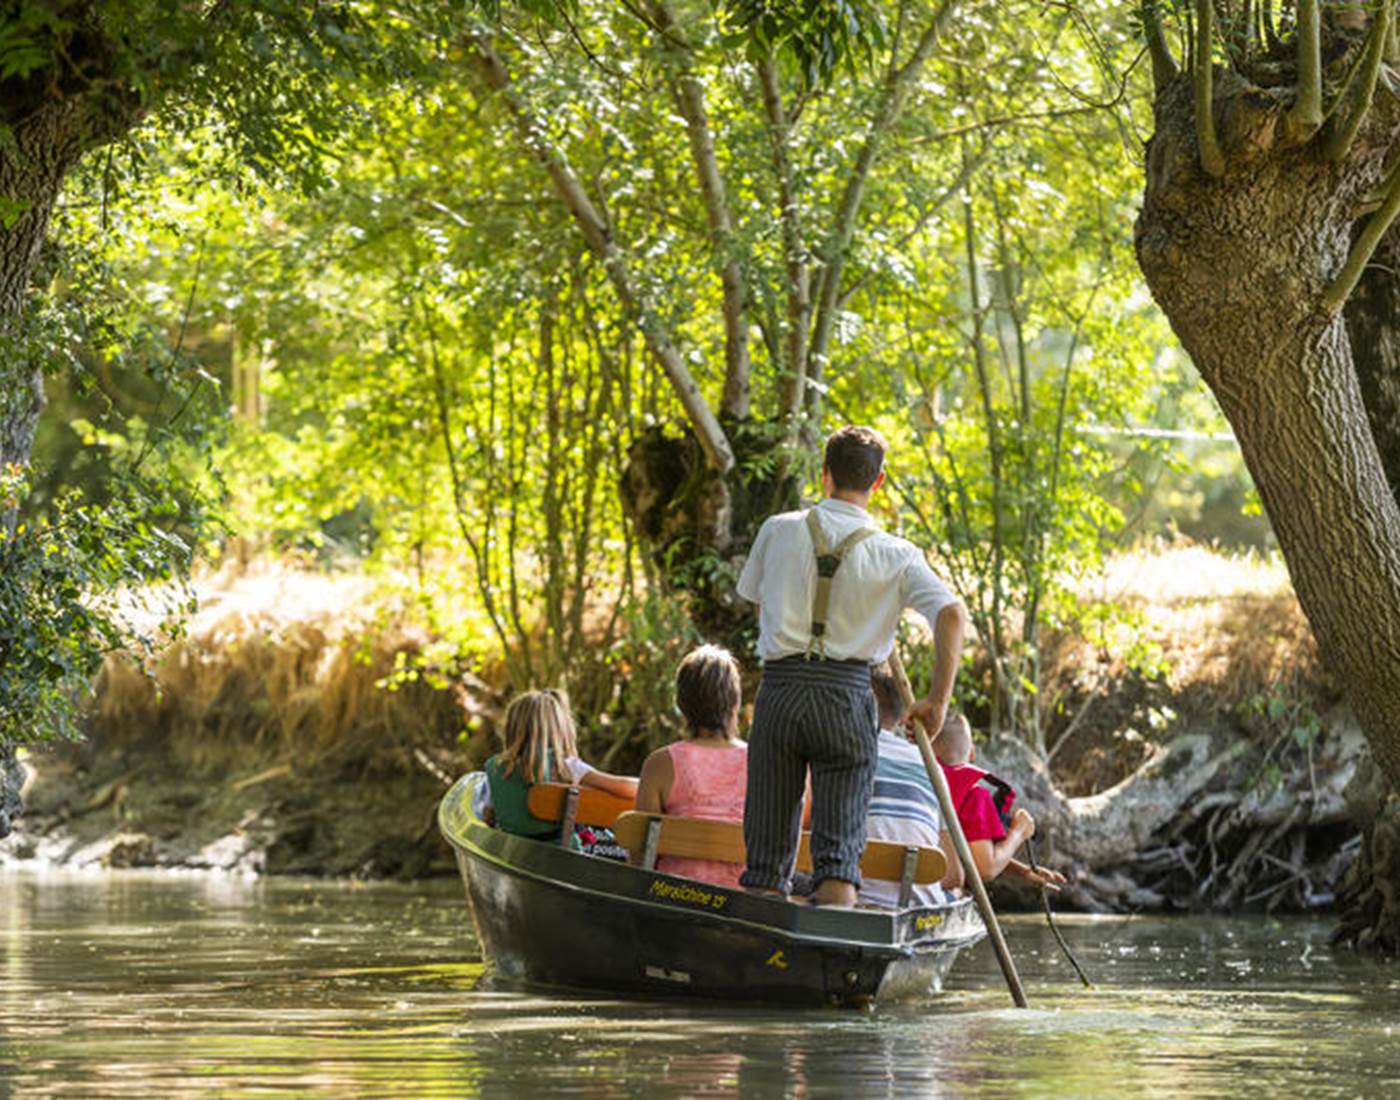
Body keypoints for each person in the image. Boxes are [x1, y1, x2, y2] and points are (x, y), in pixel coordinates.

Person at [736, 425, 968, 907]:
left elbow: (760, 607)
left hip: (780, 690)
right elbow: (951, 614)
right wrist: (937, 703)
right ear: (878, 482)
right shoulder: (897, 554)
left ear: (824, 475)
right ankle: (831, 966)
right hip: (846, 696)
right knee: (839, 862)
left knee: (765, 863)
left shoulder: (776, 530)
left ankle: (758, 961)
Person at [634, 645, 749, 888]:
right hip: (742, 901)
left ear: (682, 703)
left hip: (673, 897)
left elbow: (640, 858)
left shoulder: (659, 764)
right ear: (734, 703)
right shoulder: (760, 763)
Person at [858, 668, 965, 908]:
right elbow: (954, 875)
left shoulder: (843, 753)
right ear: (900, 718)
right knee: (956, 894)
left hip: (854, 900)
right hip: (918, 906)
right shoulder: (930, 766)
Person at [484, 688, 638, 844]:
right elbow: (627, 788)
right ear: (560, 729)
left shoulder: (494, 768)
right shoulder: (565, 766)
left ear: (511, 728)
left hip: (513, 852)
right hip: (562, 856)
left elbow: (489, 815)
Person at [934, 712, 1066, 891]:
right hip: (942, 890)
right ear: (972, 753)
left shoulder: (919, 783)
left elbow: (973, 852)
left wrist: (1024, 872)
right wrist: (1018, 832)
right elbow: (985, 869)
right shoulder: (975, 797)